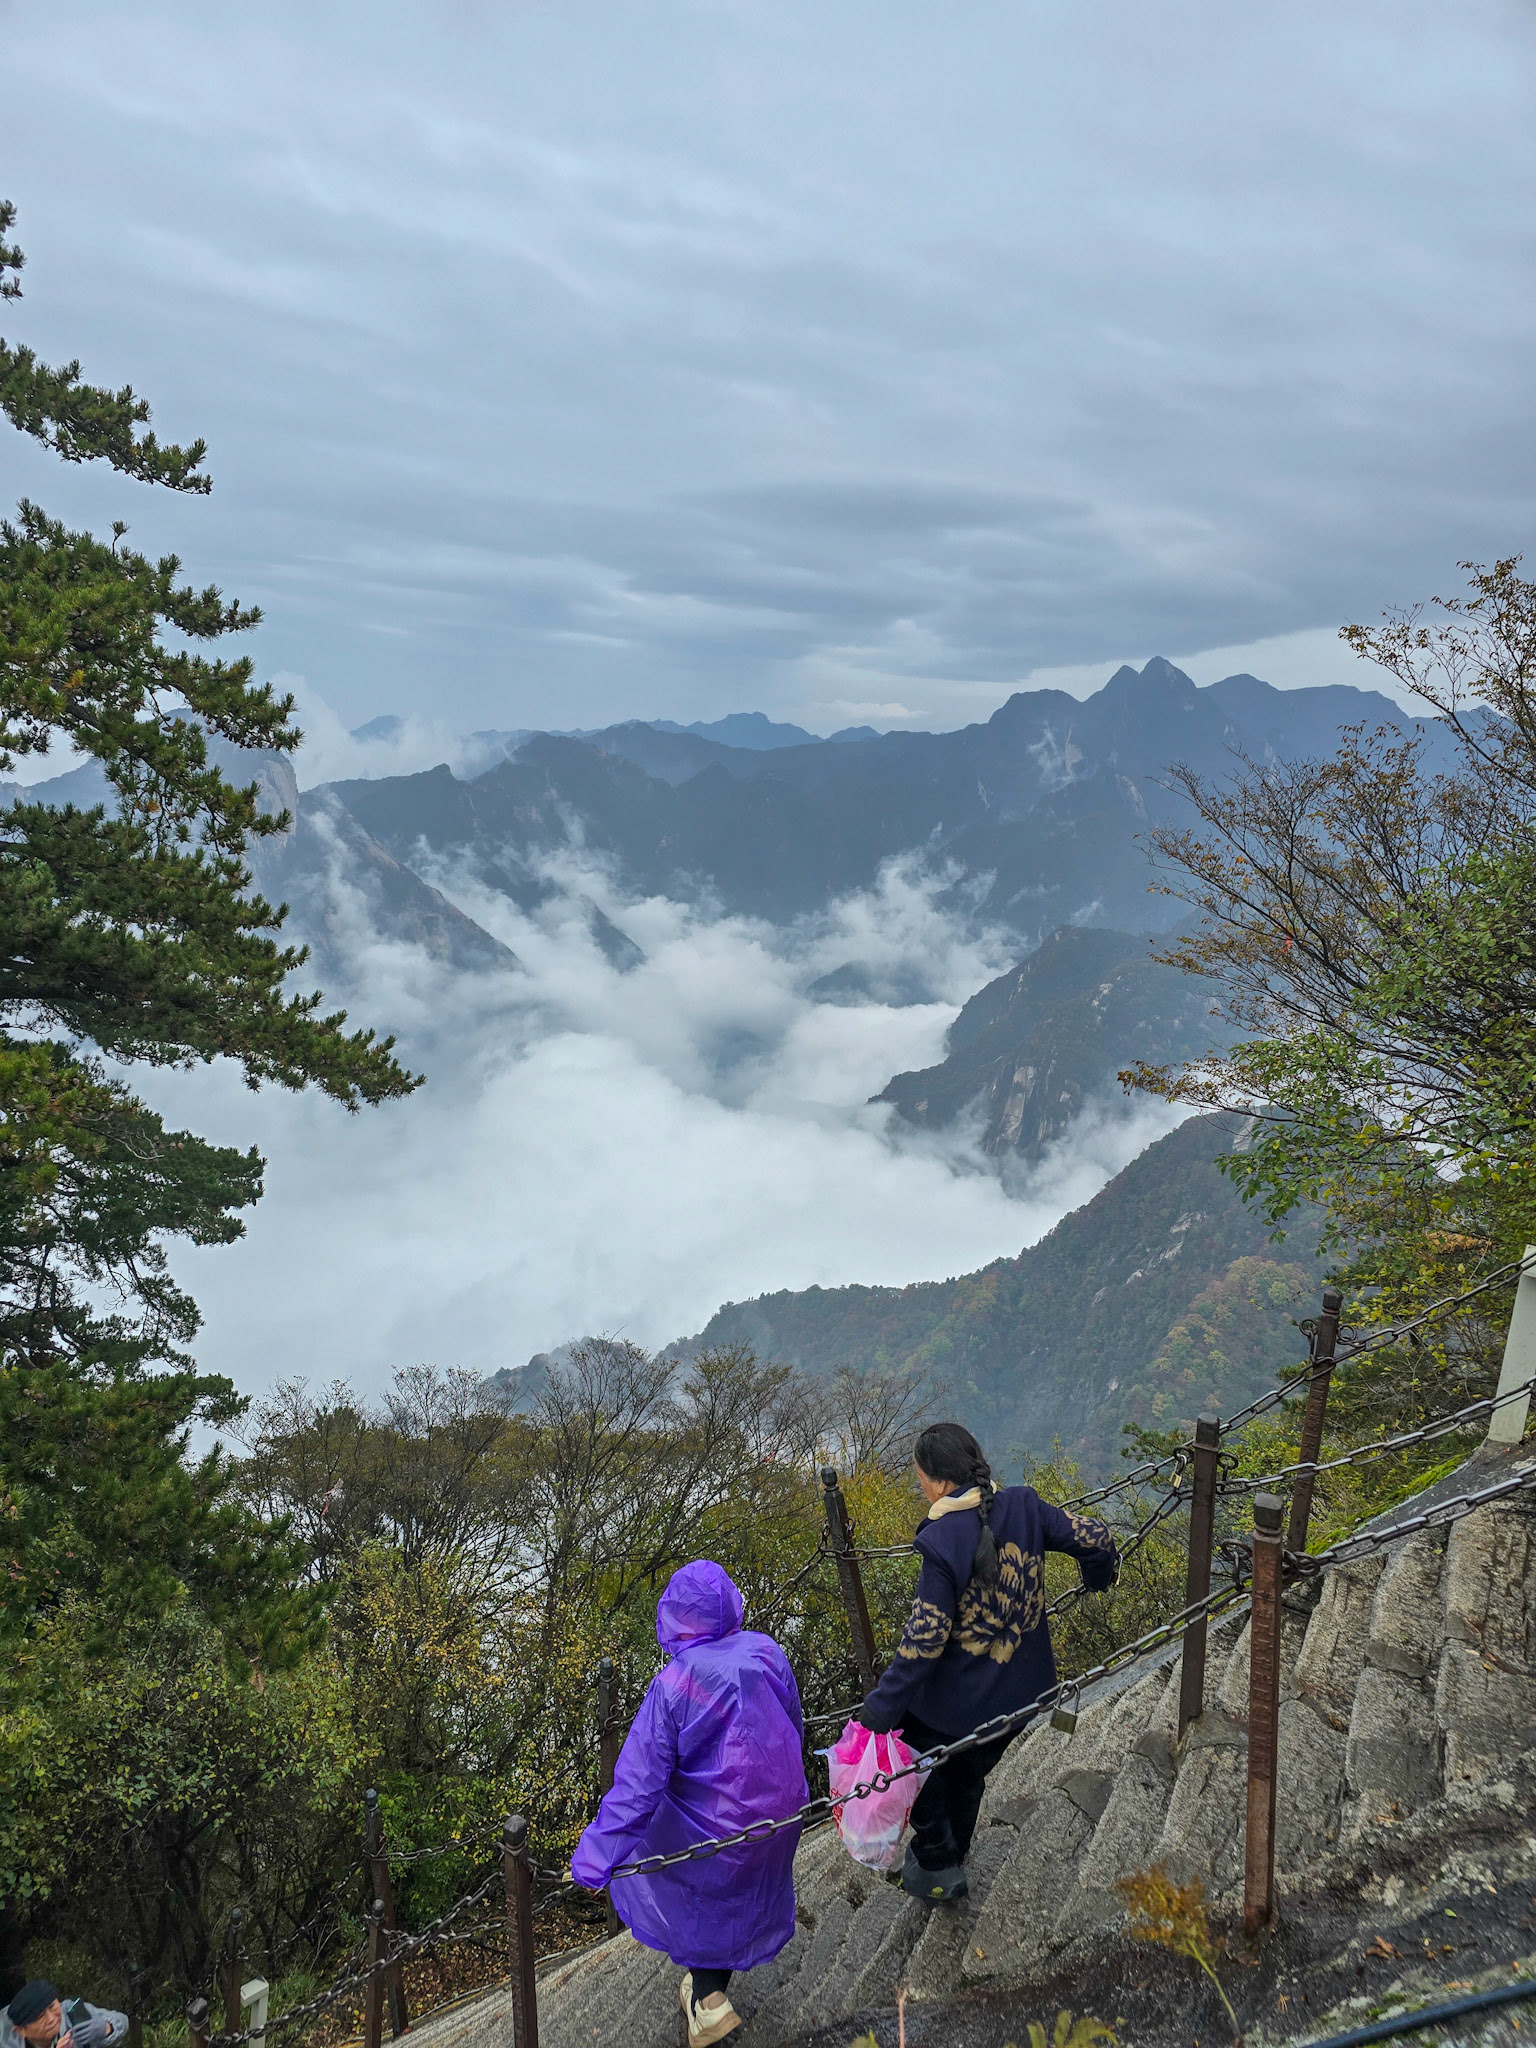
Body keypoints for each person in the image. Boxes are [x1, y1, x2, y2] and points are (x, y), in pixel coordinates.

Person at [859, 1421, 1119, 1904]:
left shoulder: (941, 1542)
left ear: (939, 1482)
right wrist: (1099, 1576)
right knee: (967, 1771)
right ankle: (953, 1854)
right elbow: (1096, 1538)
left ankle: (937, 1859)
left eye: (921, 1478)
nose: (921, 1486)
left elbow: (925, 1640)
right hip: (1021, 1698)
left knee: (913, 1755)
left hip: (960, 1705)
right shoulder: (1024, 1505)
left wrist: (878, 1710)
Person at [571, 1559, 808, 2047]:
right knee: (728, 1879)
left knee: (687, 1854)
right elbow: (793, 1726)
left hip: (716, 1835)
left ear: (675, 1616)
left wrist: (594, 1861)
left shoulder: (673, 1684)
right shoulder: (767, 1651)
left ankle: (707, 2003)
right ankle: (707, 1992)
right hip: (780, 1814)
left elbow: (636, 1787)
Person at [1, 1985, 126, 2048]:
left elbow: (122, 2020)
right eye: (40, 2017)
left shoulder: (69, 2010)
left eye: (52, 2007)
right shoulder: (5, 2041)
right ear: (21, 2030)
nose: (52, 2019)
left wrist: (107, 2028)